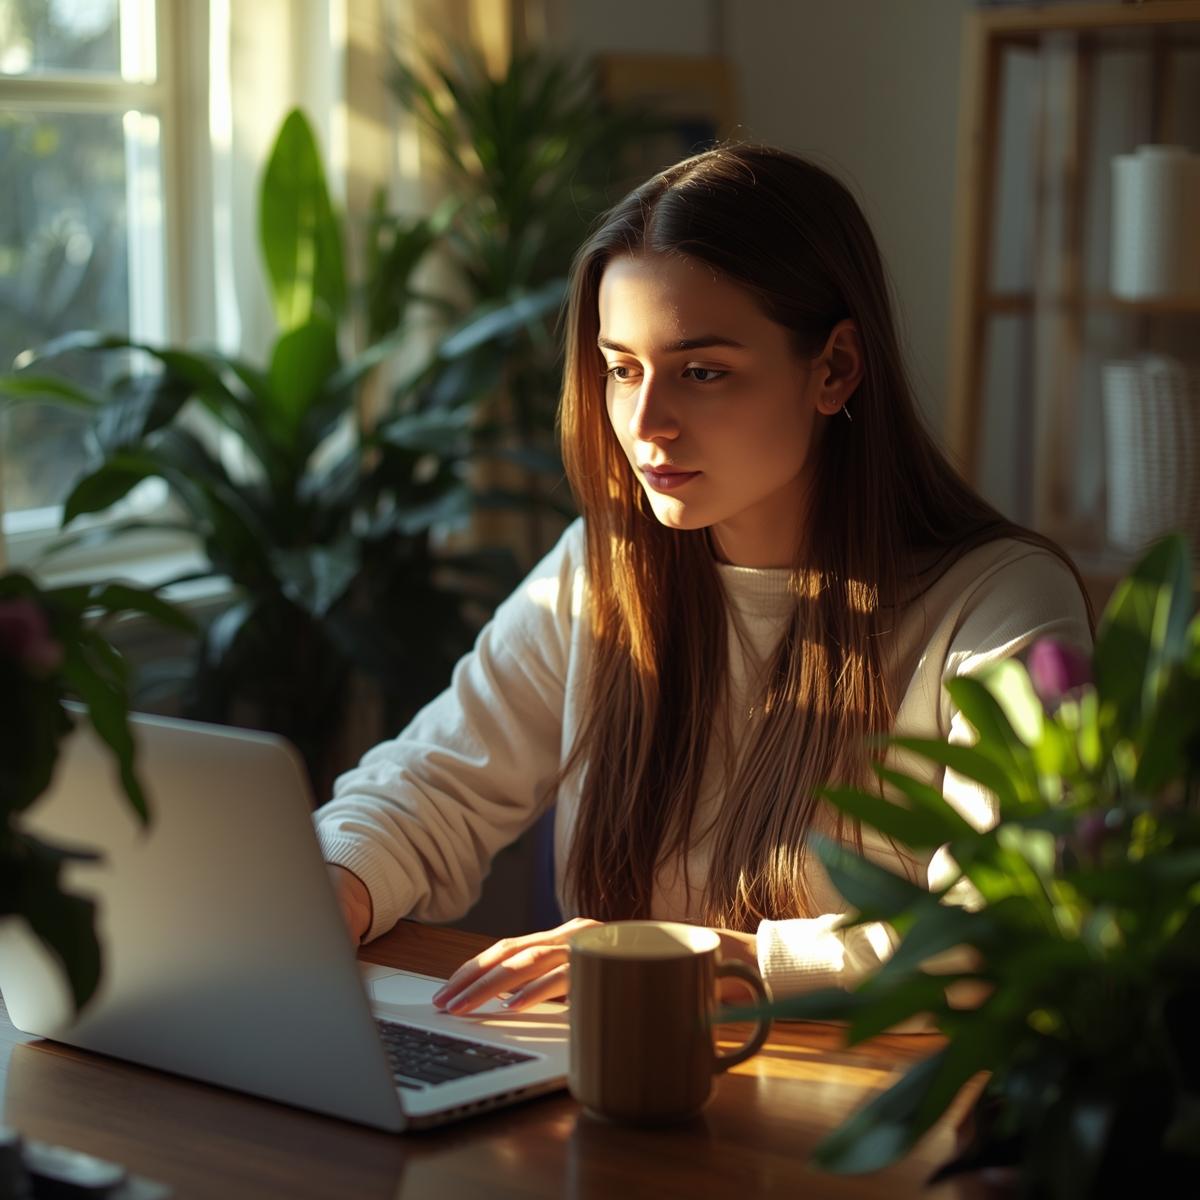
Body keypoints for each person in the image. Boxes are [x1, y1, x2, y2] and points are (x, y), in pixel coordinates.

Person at [315, 144, 1091, 1017]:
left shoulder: (997, 609)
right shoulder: (602, 570)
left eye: (703, 372)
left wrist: (714, 961)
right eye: (622, 369)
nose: (646, 425)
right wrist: (332, 886)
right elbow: (430, 786)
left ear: (834, 368)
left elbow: (1007, 926)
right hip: (617, 1094)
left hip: (853, 1122)